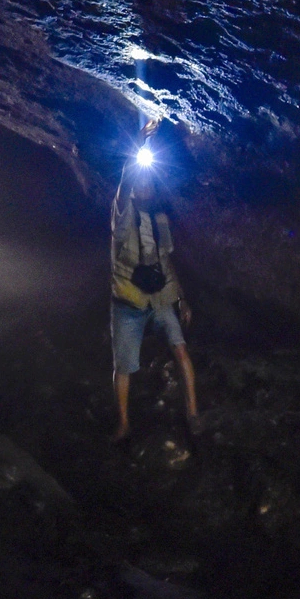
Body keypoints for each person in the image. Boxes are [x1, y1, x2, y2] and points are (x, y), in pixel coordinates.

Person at [110, 127, 199, 441]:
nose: (144, 187)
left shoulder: (160, 218)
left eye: (148, 182)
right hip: (129, 300)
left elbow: (167, 260)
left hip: (161, 296)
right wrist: (140, 142)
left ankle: (193, 413)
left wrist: (182, 299)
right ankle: (124, 424)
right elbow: (122, 189)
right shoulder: (122, 215)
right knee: (124, 366)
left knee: (181, 350)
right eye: (140, 182)